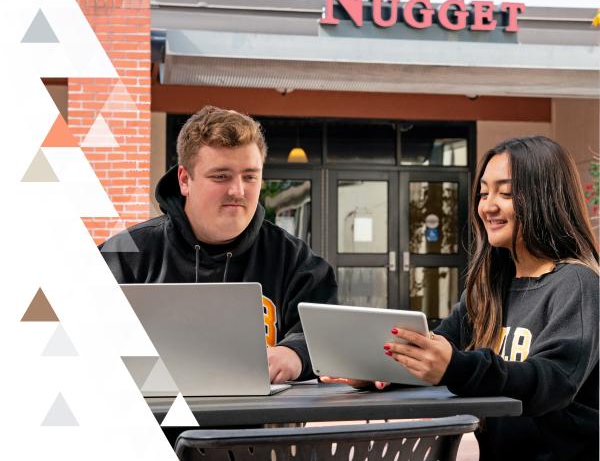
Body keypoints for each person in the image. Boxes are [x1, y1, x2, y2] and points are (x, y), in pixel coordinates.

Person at [324, 136, 599, 461]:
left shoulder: (577, 283)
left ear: (547, 198)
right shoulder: (487, 289)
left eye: (506, 193)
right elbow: (441, 348)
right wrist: (382, 368)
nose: (488, 205)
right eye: (483, 192)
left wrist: (455, 366)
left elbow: (553, 381)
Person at [100, 105, 337, 383]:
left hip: (260, 426)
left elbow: (329, 333)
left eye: (250, 176)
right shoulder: (124, 255)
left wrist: (295, 352)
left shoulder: (294, 259)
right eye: (221, 176)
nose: (237, 191)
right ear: (185, 180)